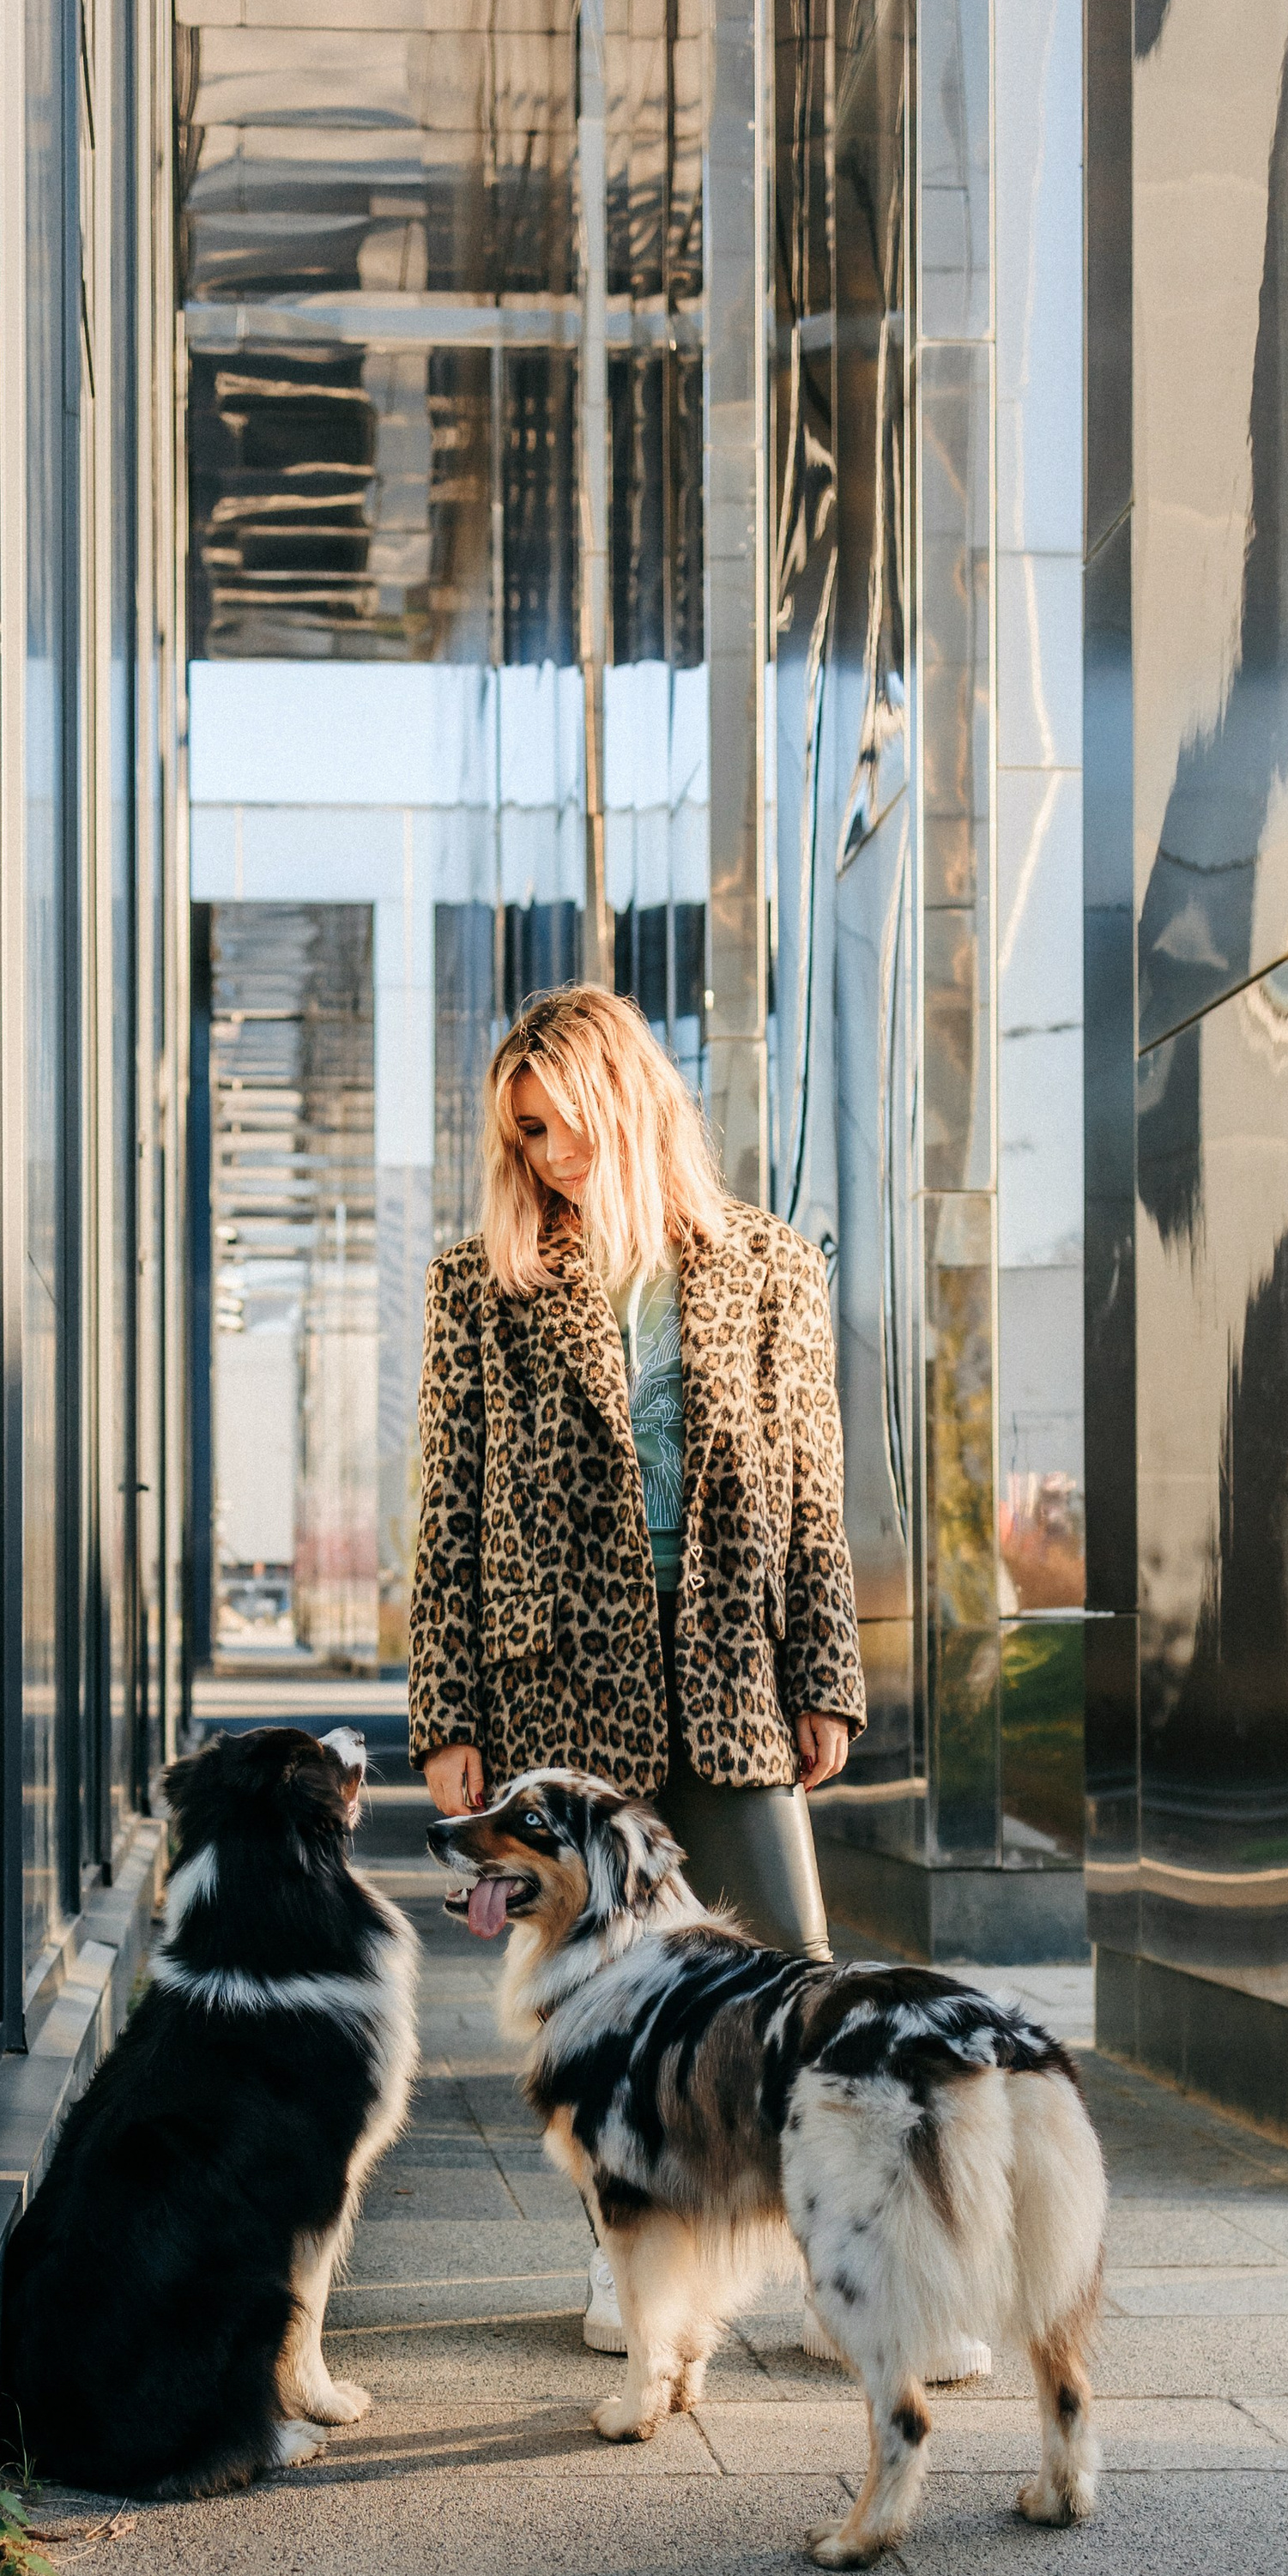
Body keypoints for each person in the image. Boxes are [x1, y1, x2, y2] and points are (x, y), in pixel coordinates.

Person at [410, 984, 985, 2380]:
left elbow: (813, 1500)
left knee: (795, 1987)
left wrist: (825, 1673)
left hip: (729, 1668)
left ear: (618, 1099)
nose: (545, 1158)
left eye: (556, 1126)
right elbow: (446, 1517)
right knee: (608, 2001)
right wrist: (450, 1723)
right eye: (522, 1138)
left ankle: (863, 2272)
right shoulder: (476, 1286)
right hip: (558, 1680)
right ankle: (638, 2268)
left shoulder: (768, 1268)